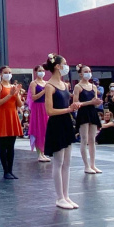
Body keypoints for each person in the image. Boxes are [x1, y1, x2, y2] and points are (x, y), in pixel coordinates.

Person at [42, 54, 78, 209]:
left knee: (67, 163)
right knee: (59, 161)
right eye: (64, 63)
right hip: (56, 124)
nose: (66, 65)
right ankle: (59, 197)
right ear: (57, 66)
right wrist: (68, 109)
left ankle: (66, 195)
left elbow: (67, 106)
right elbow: (49, 110)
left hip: (66, 123)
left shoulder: (64, 85)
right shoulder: (49, 86)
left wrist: (73, 107)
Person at [0, 66, 24, 180]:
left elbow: (19, 104)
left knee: (11, 146)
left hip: (12, 115)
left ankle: (10, 170)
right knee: (3, 145)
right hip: (3, 116)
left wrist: (17, 93)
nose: (8, 74)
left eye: (10, 72)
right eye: (6, 72)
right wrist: (10, 95)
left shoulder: (13, 87)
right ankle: (5, 171)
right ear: (1, 74)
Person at [72, 64, 103, 174]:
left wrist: (97, 102)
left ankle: (93, 164)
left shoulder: (93, 86)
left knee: (92, 140)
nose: (88, 73)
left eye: (89, 71)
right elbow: (75, 103)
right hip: (83, 113)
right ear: (80, 74)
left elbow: (94, 101)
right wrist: (91, 102)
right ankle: (86, 165)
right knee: (84, 139)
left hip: (92, 112)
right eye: (85, 71)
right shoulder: (78, 87)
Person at [26, 66, 51, 162]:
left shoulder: (46, 83)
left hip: (45, 107)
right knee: (38, 129)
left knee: (45, 130)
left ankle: (44, 152)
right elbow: (34, 97)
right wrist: (44, 91)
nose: (42, 72)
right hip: (37, 108)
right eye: (39, 71)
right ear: (36, 72)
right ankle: (39, 153)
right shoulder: (34, 83)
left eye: (43, 70)